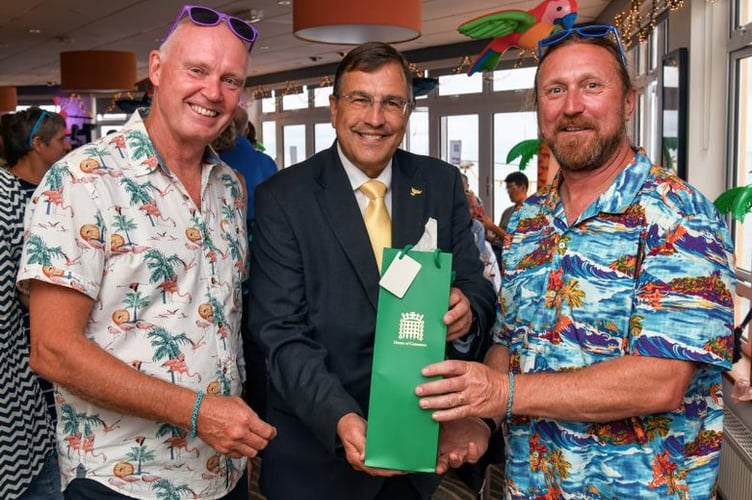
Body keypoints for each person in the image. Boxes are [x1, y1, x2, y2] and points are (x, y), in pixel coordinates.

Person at [416, 24, 736, 498]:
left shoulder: (678, 214)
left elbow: (662, 380)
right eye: (555, 90)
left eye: (592, 86)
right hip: (530, 485)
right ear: (540, 109)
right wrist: (480, 419)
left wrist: (502, 395)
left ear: (628, 102)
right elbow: (509, 342)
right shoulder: (528, 223)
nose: (571, 107)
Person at [18, 5, 276, 499]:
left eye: (229, 79)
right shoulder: (80, 181)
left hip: (222, 474)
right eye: (196, 70)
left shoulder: (230, 186)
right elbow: (52, 349)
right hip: (122, 481)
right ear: (157, 69)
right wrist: (197, 411)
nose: (212, 92)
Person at [248, 41, 497, 500]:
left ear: (408, 111)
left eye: (391, 103)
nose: (375, 118)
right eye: (360, 99)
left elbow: (476, 285)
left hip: (419, 449)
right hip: (317, 457)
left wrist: (468, 310)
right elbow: (279, 332)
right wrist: (341, 417)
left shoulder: (440, 184)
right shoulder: (284, 197)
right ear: (334, 107)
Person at [1, 107, 69, 500]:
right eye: (60, 140)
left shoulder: (54, 192)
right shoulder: (12, 202)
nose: (67, 147)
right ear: (37, 145)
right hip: (24, 356)